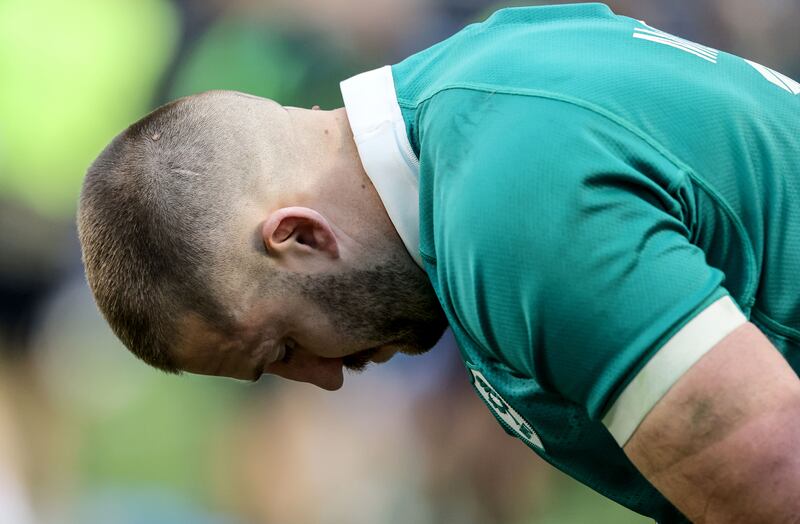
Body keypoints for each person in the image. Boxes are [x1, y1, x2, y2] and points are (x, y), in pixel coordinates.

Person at [77, 4, 800, 522]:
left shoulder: (510, 201)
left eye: (284, 348)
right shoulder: (472, 86)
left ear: (300, 237)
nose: (323, 379)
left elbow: (775, 480)